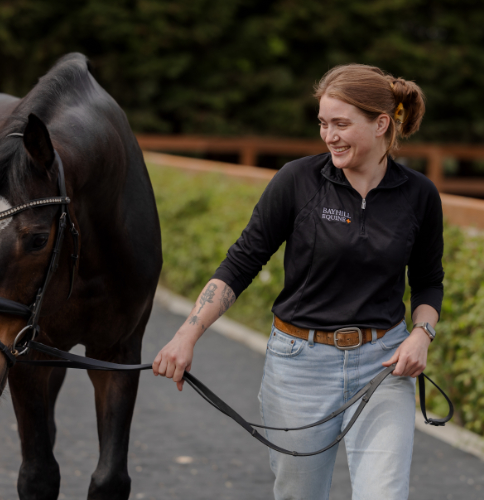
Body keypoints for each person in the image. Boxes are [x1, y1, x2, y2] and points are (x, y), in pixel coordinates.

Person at [152, 64, 443, 500]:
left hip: (383, 364)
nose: (329, 136)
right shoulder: (298, 181)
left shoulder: (419, 195)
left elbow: (427, 281)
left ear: (381, 123)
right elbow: (240, 264)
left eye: (342, 124)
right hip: (299, 366)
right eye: (324, 123)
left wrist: (422, 334)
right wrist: (186, 334)